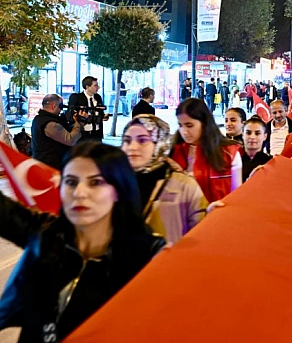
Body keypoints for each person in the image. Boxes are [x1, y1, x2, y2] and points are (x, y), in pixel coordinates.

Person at [0, 142, 165, 341]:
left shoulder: (148, 256)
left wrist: (213, 222)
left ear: (118, 190)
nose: (79, 193)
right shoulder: (48, 234)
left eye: (95, 182)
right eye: (70, 182)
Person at [122, 115, 208, 244]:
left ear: (160, 143)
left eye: (142, 140)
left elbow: (201, 234)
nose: (132, 147)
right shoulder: (112, 182)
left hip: (168, 261)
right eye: (127, 141)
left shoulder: (185, 186)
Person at [170, 98, 242, 202]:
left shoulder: (229, 152)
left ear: (204, 123)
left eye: (189, 125)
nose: (184, 132)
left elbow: (236, 195)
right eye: (180, 125)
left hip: (218, 215)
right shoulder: (174, 152)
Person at [31, 94, 82, 169]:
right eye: (60, 106)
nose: (61, 109)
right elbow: (70, 140)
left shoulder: (39, 119)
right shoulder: (51, 124)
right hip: (51, 165)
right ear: (54, 106)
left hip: (43, 161)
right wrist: (79, 123)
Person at [67, 76, 109, 142]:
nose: (98, 87)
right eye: (95, 85)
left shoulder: (98, 97)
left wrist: (103, 117)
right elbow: (70, 115)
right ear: (87, 87)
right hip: (82, 134)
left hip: (97, 133)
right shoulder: (76, 97)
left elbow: (100, 112)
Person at [240, 117, 272, 182]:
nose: (252, 137)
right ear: (243, 135)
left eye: (257, 133)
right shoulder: (233, 160)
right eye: (248, 133)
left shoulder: (270, 162)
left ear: (265, 136)